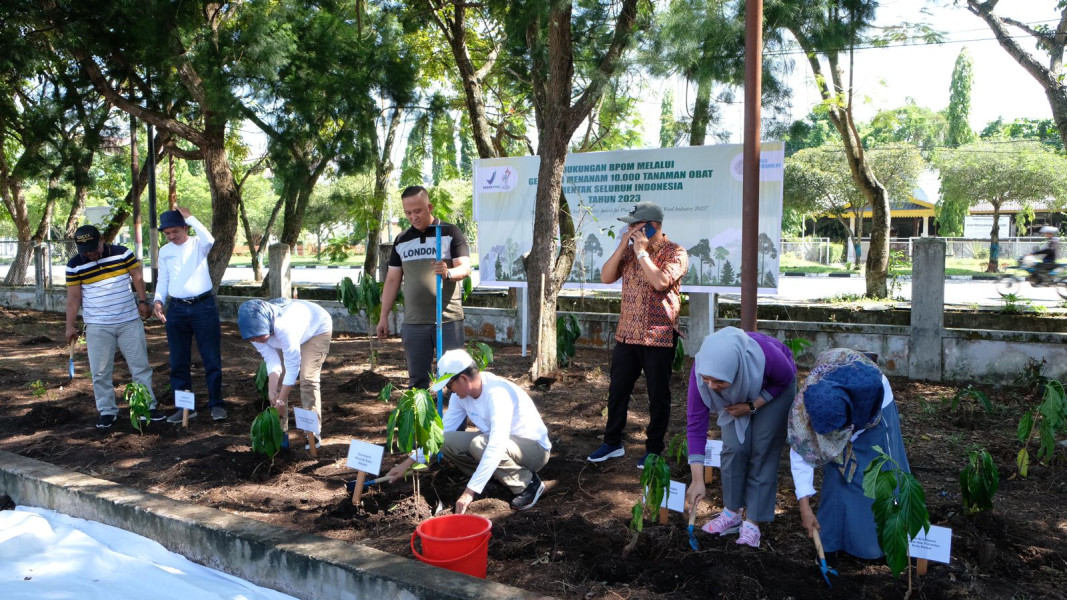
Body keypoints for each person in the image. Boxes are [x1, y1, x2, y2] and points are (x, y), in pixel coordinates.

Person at [383, 349, 552, 512]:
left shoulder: (496, 393)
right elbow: (440, 435)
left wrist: (469, 492)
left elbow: (496, 445)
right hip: (501, 445)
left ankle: (528, 484)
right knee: (446, 441)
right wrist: (406, 464)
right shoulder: (461, 397)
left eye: (449, 385)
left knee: (480, 445)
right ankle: (497, 477)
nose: (450, 391)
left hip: (534, 450)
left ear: (463, 378)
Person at [586, 202, 688, 467]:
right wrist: (623, 246)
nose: (630, 229)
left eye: (635, 225)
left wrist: (642, 253)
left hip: (659, 335)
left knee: (658, 395)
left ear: (652, 225)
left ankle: (654, 448)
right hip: (627, 334)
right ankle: (612, 442)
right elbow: (606, 277)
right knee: (618, 390)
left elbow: (660, 282)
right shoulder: (629, 252)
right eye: (630, 225)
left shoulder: (675, 252)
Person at [786, 348, 911, 559]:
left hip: (873, 411)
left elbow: (858, 434)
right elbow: (801, 452)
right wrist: (804, 507)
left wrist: (847, 441)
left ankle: (882, 542)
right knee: (837, 472)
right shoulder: (804, 409)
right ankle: (832, 541)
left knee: (876, 473)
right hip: (839, 406)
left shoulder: (871, 394)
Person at [684, 327, 797, 548]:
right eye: (706, 379)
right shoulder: (702, 372)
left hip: (773, 391)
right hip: (740, 394)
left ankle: (753, 522)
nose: (711, 387)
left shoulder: (766, 355)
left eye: (718, 382)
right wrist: (697, 479)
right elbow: (696, 426)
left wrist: (752, 406)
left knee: (762, 449)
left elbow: (785, 378)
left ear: (735, 372)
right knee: (733, 448)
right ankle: (732, 513)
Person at [65, 225, 162, 429]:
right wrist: (70, 326)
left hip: (128, 321)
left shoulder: (122, 253)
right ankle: (107, 411)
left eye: (93, 248)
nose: (91, 254)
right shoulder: (74, 265)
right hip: (97, 326)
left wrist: (143, 302)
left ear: (101, 239)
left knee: (140, 367)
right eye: (86, 251)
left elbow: (137, 276)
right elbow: (74, 298)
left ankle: (147, 408)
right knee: (100, 372)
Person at [376, 186, 471, 390]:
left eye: (418, 211)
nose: (413, 217)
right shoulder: (402, 240)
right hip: (414, 323)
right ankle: (422, 421)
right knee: (417, 382)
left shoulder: (449, 232)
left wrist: (448, 272)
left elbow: (465, 267)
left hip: (447, 320)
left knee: (455, 380)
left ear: (429, 206)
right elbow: (392, 280)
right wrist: (384, 316)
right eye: (408, 213)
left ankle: (455, 423)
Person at [152, 207, 226, 422]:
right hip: (176, 309)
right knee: (178, 360)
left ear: (185, 228)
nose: (171, 236)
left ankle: (216, 404)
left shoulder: (198, 244)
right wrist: (158, 300)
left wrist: (191, 217)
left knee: (211, 357)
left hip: (203, 307)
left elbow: (210, 238)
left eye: (175, 231)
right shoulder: (165, 251)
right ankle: (185, 408)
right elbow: (163, 279)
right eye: (167, 234)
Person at [237, 298, 332, 450]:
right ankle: (280, 432)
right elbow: (272, 361)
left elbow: (293, 367)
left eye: (259, 336)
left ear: (266, 324)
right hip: (287, 336)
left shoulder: (285, 327)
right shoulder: (253, 333)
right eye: (252, 338)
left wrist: (281, 401)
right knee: (279, 383)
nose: (256, 340)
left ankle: (313, 432)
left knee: (307, 378)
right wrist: (272, 391)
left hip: (316, 329)